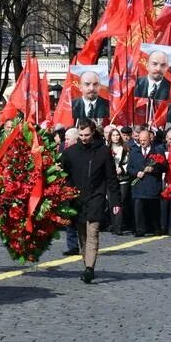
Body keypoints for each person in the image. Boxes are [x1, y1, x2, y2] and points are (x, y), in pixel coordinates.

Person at [61, 119, 121, 283]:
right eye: (80, 135)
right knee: (82, 235)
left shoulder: (103, 151)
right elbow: (61, 173)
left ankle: (89, 269)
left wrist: (115, 202)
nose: (84, 138)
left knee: (93, 232)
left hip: (96, 196)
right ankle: (87, 264)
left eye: (87, 134)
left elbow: (111, 178)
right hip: (77, 199)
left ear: (93, 132)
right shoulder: (70, 152)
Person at [127, 129, 167, 236]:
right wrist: (136, 173)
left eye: (144, 140)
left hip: (152, 184)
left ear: (150, 139)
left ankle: (156, 228)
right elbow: (129, 168)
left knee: (154, 209)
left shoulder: (157, 151)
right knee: (138, 209)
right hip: (139, 185)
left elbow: (164, 167)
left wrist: (153, 169)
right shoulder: (134, 151)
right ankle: (140, 230)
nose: (142, 142)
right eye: (140, 140)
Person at [61, 128, 81, 256]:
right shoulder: (64, 151)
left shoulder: (82, 151)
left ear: (75, 139)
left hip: (80, 188)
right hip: (68, 189)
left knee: (81, 219)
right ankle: (72, 246)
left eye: (68, 139)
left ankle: (84, 243)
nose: (66, 141)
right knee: (69, 218)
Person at [108, 128, 131, 235]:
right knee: (112, 202)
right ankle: (113, 224)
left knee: (120, 202)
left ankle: (119, 226)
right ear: (110, 137)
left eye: (117, 135)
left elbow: (128, 163)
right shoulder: (107, 149)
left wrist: (121, 169)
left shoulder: (125, 148)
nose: (116, 137)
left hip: (123, 180)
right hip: (111, 180)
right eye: (113, 135)